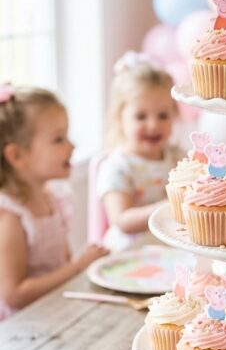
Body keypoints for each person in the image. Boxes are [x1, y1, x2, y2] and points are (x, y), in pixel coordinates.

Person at [0, 86, 106, 320]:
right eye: (58, 139)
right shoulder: (11, 217)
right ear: (17, 156)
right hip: (23, 329)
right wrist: (77, 267)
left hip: (56, 312)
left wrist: (80, 267)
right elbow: (13, 294)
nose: (71, 146)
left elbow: (62, 264)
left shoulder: (53, 198)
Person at [97, 53, 182, 250]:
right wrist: (169, 207)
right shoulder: (117, 167)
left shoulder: (179, 158)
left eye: (162, 115)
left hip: (170, 246)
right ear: (119, 118)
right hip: (130, 253)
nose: (153, 125)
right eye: (141, 116)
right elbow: (122, 220)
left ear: (174, 114)